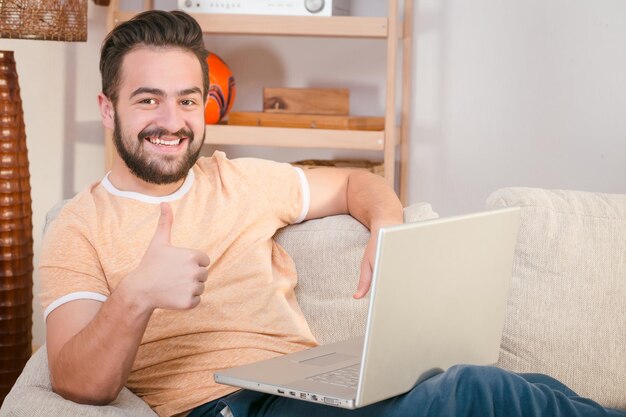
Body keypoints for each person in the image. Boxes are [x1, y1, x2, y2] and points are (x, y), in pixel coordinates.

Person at [39, 9, 625, 417]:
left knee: (520, 390)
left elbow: (351, 184)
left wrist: (388, 224)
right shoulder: (78, 226)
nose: (172, 120)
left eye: (188, 100)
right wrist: (136, 294)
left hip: (306, 389)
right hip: (219, 407)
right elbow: (76, 381)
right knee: (469, 394)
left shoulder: (239, 180)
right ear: (107, 109)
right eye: (148, 100)